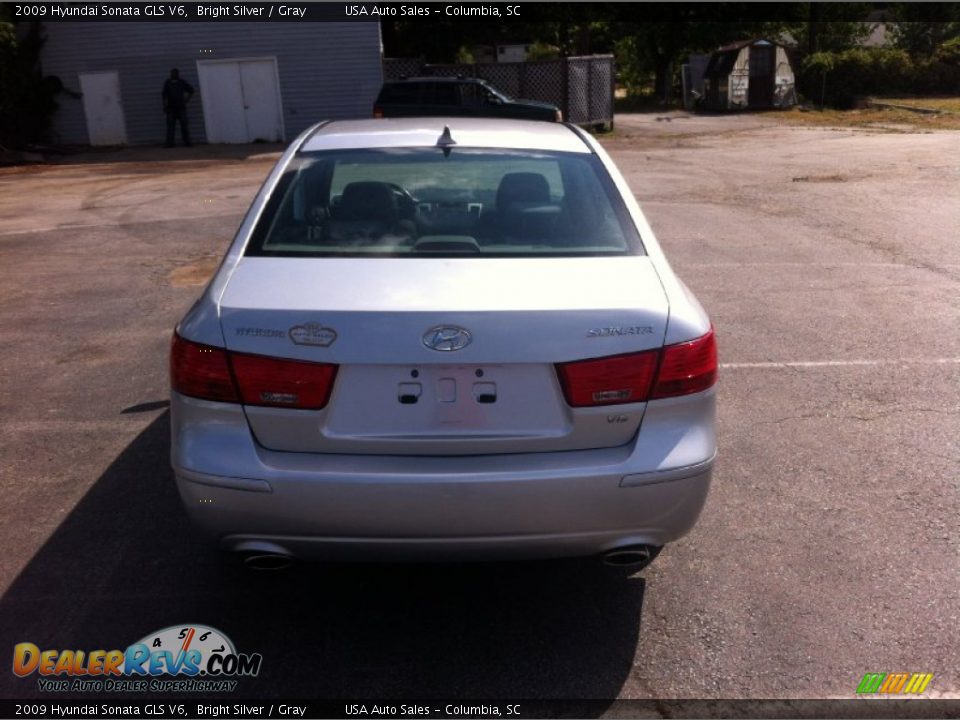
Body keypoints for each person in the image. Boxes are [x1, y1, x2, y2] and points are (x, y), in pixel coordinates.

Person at [162, 69, 194, 147]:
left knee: (184, 125)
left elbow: (191, 91)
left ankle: (187, 142)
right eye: (172, 73)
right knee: (170, 126)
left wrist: (186, 100)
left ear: (178, 74)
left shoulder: (182, 82)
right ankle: (169, 143)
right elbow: (164, 96)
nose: (173, 75)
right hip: (171, 108)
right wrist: (165, 105)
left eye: (175, 73)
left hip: (181, 108)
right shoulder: (168, 83)